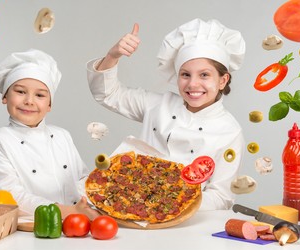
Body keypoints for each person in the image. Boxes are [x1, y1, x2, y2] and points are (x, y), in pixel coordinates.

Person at [86, 18, 246, 211]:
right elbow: (108, 94)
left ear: (223, 80)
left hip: (187, 224)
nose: (193, 84)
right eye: (185, 74)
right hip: (132, 207)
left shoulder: (230, 131)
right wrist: (113, 55)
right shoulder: (158, 105)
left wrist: (172, 206)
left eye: (204, 75)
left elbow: (222, 196)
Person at [0, 49, 99, 219]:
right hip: (37, 224)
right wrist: (69, 212)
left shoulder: (62, 135)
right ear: (5, 96)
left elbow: (83, 179)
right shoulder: (0, 139)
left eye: (40, 95)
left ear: (49, 105)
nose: (29, 101)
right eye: (20, 92)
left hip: (80, 222)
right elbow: (11, 196)